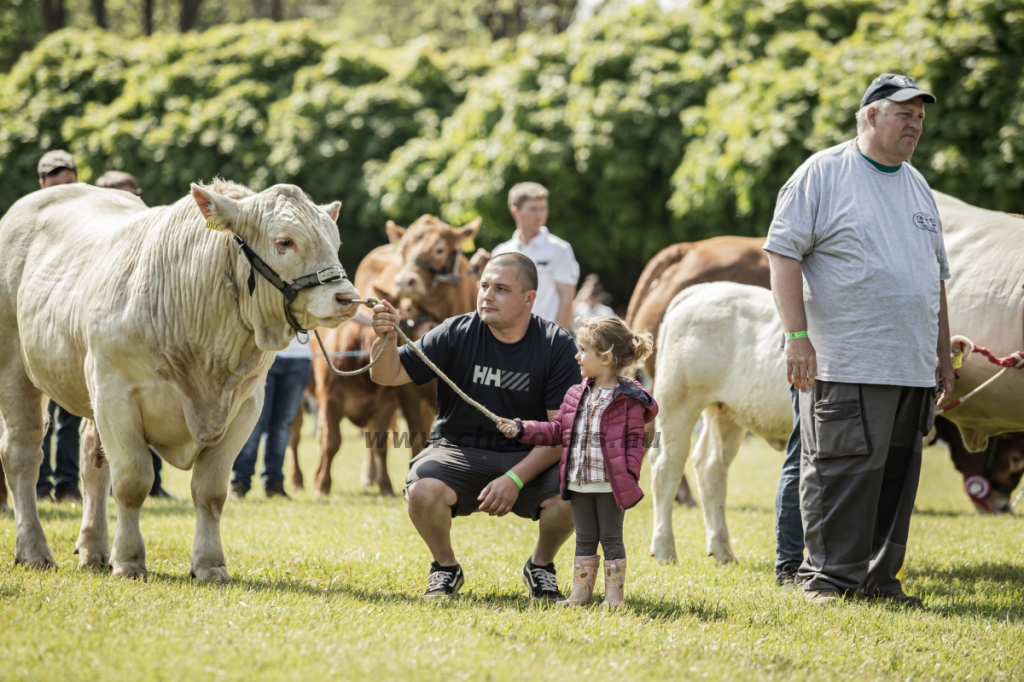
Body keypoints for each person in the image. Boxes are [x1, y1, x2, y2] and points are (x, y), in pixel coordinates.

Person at [764, 73, 954, 607]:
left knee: (894, 482)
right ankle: (828, 581)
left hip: (910, 367)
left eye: (920, 116)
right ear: (870, 114)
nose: (915, 123)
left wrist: (941, 356)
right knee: (839, 474)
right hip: (848, 361)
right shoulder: (823, 173)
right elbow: (782, 254)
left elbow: (933, 278)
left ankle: (877, 580)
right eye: (904, 113)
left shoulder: (917, 185)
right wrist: (796, 337)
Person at [369, 253, 581, 599]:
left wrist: (514, 479)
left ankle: (541, 566)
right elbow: (386, 374)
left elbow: (560, 433)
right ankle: (445, 567)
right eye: (484, 286)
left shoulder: (556, 345)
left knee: (573, 493)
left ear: (530, 298)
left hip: (528, 454)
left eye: (501, 289)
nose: (487, 295)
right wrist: (384, 337)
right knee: (422, 492)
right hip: (457, 450)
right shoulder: (456, 331)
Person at [497, 317, 657, 608]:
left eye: (583, 350)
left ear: (606, 357)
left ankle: (613, 598)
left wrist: (629, 473)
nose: (576, 356)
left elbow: (636, 442)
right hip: (579, 481)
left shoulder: (629, 399)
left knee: (610, 539)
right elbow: (557, 431)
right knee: (584, 539)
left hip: (610, 485)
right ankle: (580, 595)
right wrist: (522, 429)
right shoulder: (575, 394)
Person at [95, 170, 172, 499]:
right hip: (105, 356)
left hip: (148, 353)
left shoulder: (153, 245)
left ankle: (153, 485)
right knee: (82, 425)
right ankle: (65, 485)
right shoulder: (95, 247)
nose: (131, 203)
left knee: (147, 415)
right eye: (122, 197)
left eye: (134, 196)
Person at [35, 150, 83, 503]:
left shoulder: (88, 222)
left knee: (71, 415)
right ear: (42, 183)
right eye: (55, 179)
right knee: (35, 414)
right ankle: (38, 484)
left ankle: (67, 484)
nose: (62, 185)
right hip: (38, 329)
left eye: (68, 179)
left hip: (72, 328)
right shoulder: (31, 223)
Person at [230, 335, 313, 499]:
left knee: (283, 425)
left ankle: (274, 484)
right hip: (263, 354)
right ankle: (240, 482)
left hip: (299, 358)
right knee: (254, 422)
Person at [491, 182, 579, 329]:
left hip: (545, 340)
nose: (540, 214)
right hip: (506, 340)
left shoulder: (560, 249)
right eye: (533, 209)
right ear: (515, 212)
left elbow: (567, 298)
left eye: (543, 208)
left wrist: (555, 341)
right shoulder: (501, 252)